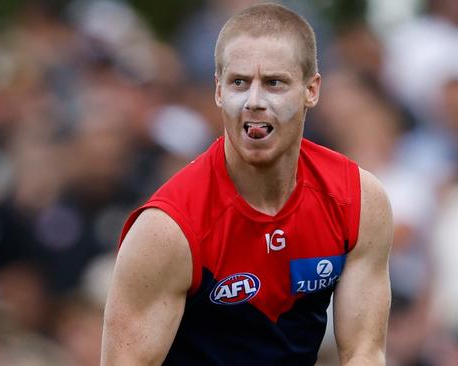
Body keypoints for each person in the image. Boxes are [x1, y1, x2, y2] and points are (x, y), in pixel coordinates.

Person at [101, 3, 393, 365]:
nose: (255, 101)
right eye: (239, 82)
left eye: (274, 83)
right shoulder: (167, 230)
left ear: (311, 90)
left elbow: (364, 353)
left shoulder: (358, 200)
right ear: (219, 91)